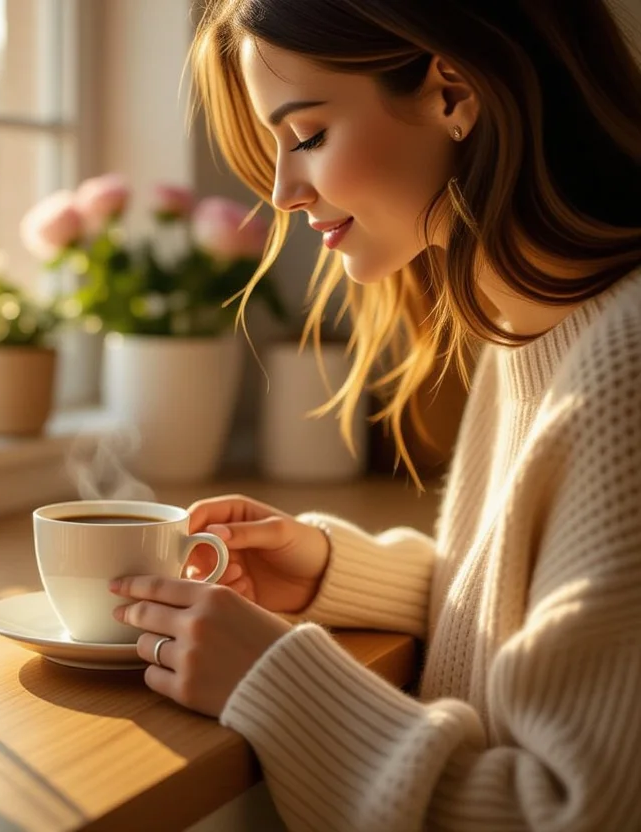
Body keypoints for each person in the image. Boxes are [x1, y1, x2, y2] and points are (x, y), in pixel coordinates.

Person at [108, 1, 641, 829]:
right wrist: (329, 570)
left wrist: (276, 680)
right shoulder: (536, 329)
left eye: (309, 135)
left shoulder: (627, 364)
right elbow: (556, 620)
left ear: (454, 93)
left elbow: (571, 815)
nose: (283, 193)